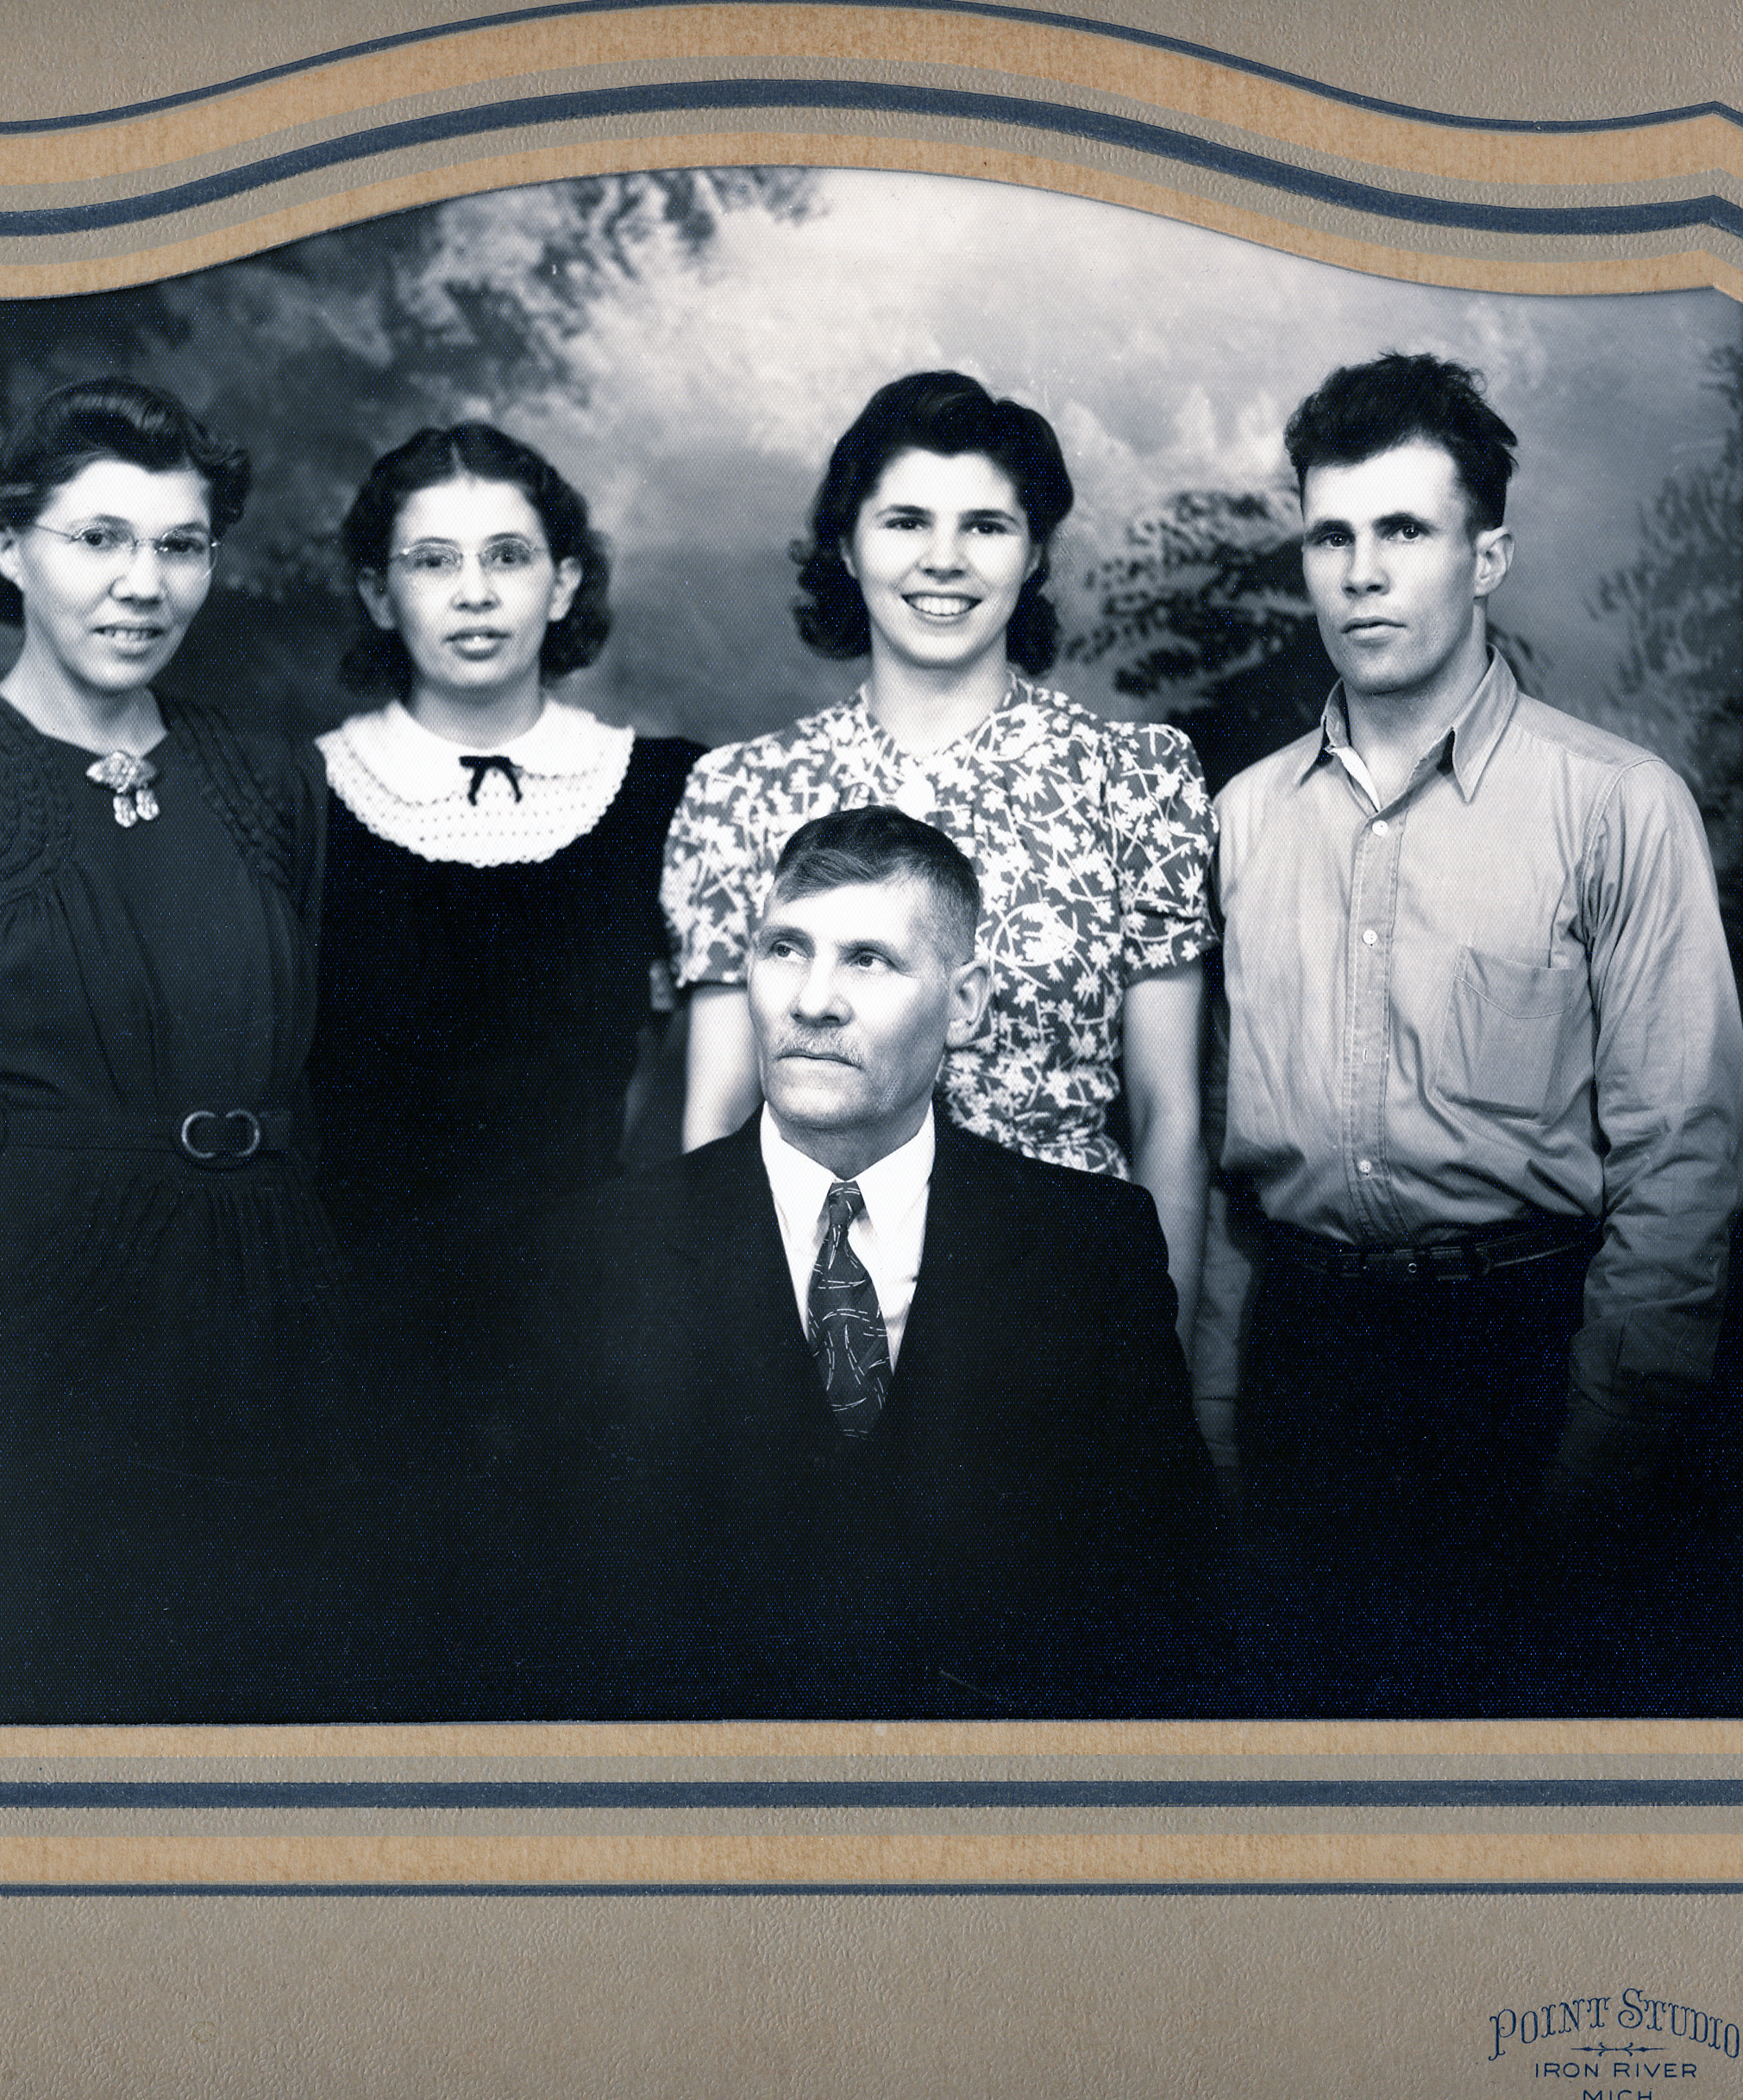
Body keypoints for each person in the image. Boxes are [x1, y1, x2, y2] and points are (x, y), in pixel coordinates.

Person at [0, 376, 340, 1722]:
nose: (143, 582)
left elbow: (301, 1063)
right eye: (99, 538)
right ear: (7, 547)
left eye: (180, 543)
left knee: (277, 1696)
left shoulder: (270, 778)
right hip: (35, 1327)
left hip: (273, 1303)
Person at [1211, 353, 1743, 1693]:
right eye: (1330, 534)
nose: (1360, 571)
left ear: (1487, 553)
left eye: (1404, 530)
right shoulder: (1241, 819)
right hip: (1302, 1360)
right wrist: (1215, 1407)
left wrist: (1597, 1453)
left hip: (1520, 1361)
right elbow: (1223, 1164)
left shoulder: (1616, 805)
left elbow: (1681, 1164)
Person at [528, 808, 1226, 1720]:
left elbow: (1169, 1609)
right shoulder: (598, 1251)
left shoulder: (1088, 1247)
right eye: (786, 949)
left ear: (965, 1003)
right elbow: (546, 1627)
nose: (813, 999)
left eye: (869, 958)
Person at [661, 371, 1215, 1342]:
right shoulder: (741, 790)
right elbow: (717, 1112)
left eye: (987, 527)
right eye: (906, 521)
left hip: (1065, 1305)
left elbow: (1169, 1113)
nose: (944, 561)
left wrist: (1152, 1354)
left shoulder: (1137, 777)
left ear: (1035, 551)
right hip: (805, 1311)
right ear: (847, 544)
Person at [309, 423, 699, 1447]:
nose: (474, 592)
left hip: (595, 1338)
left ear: (565, 583)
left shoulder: (668, 791)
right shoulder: (296, 798)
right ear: (378, 593)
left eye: (509, 557)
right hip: (347, 1345)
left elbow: (710, 1086)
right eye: (434, 561)